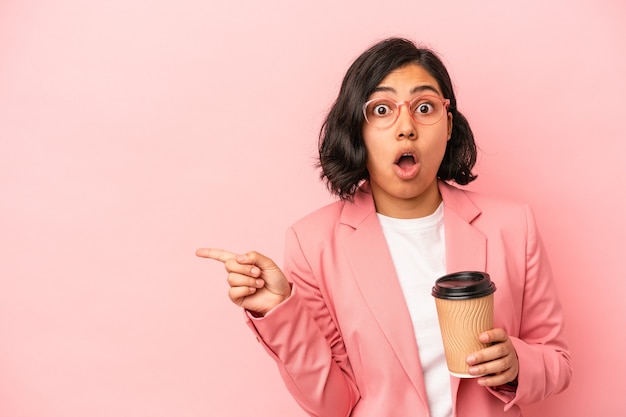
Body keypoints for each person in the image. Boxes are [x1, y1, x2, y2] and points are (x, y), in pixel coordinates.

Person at [196, 37, 572, 417]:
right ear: (357, 130)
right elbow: (331, 404)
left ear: (448, 126)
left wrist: (517, 364)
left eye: (425, 107)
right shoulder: (313, 243)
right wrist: (279, 311)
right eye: (381, 109)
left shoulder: (512, 225)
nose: (406, 127)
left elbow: (557, 361)